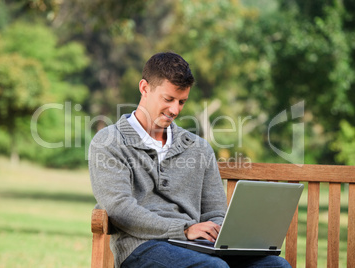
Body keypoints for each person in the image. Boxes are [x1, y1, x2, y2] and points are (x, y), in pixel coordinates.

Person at [89, 52, 291, 268]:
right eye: (168, 99)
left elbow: (215, 212)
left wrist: (218, 235)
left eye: (182, 101)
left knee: (275, 265)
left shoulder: (199, 148)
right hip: (142, 247)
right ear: (144, 88)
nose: (175, 110)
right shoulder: (110, 142)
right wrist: (184, 229)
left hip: (195, 246)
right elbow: (120, 209)